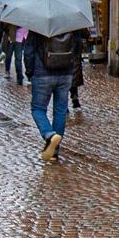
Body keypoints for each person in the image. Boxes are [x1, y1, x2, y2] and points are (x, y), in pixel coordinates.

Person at [25, 26, 84, 163]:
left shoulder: (37, 25)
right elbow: (78, 49)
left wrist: (29, 72)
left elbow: (29, 51)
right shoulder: (71, 23)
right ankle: (54, 151)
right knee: (60, 111)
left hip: (42, 73)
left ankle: (49, 134)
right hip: (65, 73)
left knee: (38, 109)